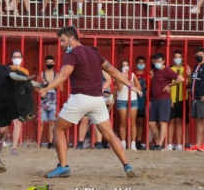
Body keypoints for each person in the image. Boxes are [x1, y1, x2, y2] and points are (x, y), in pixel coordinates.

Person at [39, 26, 143, 178]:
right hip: (97, 100)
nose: (61, 44)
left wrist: (47, 87)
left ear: (71, 38)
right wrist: (131, 85)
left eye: (62, 40)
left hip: (80, 99)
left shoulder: (72, 54)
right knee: (110, 134)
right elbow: (113, 71)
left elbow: (63, 75)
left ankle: (63, 166)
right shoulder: (95, 53)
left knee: (58, 130)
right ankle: (127, 165)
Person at [149, 53, 184, 151]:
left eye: (159, 62)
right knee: (151, 123)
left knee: (163, 122)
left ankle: (160, 144)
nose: (157, 63)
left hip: (164, 99)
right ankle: (157, 143)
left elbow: (181, 79)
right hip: (155, 100)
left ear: (163, 61)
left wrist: (170, 85)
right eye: (156, 62)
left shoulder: (167, 70)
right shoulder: (155, 70)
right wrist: (152, 76)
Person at [0, 50, 29, 155]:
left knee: (17, 122)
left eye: (19, 56)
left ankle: (14, 148)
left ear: (22, 58)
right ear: (11, 59)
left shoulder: (25, 71)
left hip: (19, 101)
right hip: (7, 100)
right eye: (15, 56)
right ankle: (0, 141)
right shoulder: (6, 69)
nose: (17, 58)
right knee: (3, 128)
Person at [167, 50, 191, 151]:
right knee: (171, 121)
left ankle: (179, 144)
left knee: (180, 121)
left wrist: (189, 75)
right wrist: (169, 98)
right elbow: (166, 85)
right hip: (171, 99)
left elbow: (189, 85)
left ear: (182, 58)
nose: (177, 59)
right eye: (175, 57)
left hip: (183, 99)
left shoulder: (185, 70)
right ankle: (169, 143)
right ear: (173, 58)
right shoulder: (169, 69)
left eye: (179, 57)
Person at [116, 60, 141, 150]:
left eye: (127, 65)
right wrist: (123, 79)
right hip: (122, 100)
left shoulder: (133, 75)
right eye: (123, 65)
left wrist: (133, 84)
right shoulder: (117, 74)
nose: (125, 67)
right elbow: (118, 89)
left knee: (133, 123)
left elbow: (139, 88)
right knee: (123, 123)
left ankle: (133, 143)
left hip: (133, 100)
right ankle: (123, 142)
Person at [38, 55, 62, 149]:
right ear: (45, 63)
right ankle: (39, 142)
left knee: (52, 121)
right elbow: (36, 87)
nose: (49, 64)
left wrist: (54, 85)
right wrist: (41, 90)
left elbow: (62, 88)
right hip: (43, 101)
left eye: (51, 62)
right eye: (48, 62)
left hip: (54, 101)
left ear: (54, 63)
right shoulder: (41, 74)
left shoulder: (57, 75)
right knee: (42, 121)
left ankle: (50, 142)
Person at [134, 55, 148, 150]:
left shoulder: (148, 75)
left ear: (145, 64)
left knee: (139, 122)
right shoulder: (132, 74)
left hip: (142, 102)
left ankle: (138, 141)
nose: (141, 64)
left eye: (142, 63)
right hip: (132, 100)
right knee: (131, 122)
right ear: (136, 64)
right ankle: (131, 141)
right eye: (139, 63)